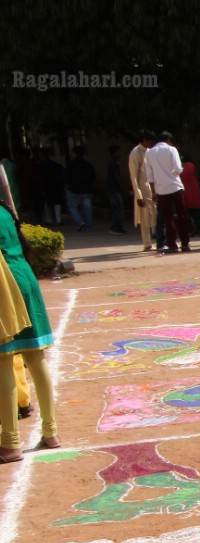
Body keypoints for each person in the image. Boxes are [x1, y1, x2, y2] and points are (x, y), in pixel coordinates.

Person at [0, 199, 58, 462]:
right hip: (24, 276)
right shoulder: (5, 210)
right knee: (36, 357)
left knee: (3, 362)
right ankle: (51, 432)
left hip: (5, 286)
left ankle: (10, 442)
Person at [144, 132, 190, 253]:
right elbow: (178, 168)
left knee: (168, 218)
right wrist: (171, 174)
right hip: (175, 187)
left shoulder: (150, 153)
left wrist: (154, 191)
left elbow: (150, 176)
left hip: (161, 190)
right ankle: (185, 244)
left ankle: (172, 244)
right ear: (169, 140)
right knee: (181, 215)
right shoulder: (172, 149)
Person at [128, 131, 159, 251]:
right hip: (142, 188)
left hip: (151, 187)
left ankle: (158, 239)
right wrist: (138, 195)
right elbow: (133, 176)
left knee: (154, 214)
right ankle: (147, 243)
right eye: (150, 141)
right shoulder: (135, 153)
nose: (151, 144)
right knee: (145, 216)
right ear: (144, 140)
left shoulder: (149, 152)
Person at [38, 148, 66, 226]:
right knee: (56, 203)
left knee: (47, 204)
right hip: (56, 186)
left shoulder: (40, 165)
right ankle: (58, 220)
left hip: (46, 187)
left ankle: (49, 220)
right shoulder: (55, 164)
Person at [181, 153, 200, 236]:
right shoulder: (192, 165)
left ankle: (190, 231)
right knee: (198, 212)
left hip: (185, 191)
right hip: (195, 190)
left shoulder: (181, 167)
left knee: (187, 214)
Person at [105, 145, 126, 235]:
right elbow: (116, 176)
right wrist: (122, 185)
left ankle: (119, 226)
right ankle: (114, 227)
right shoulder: (113, 163)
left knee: (118, 208)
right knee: (118, 208)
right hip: (113, 188)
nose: (120, 154)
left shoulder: (115, 162)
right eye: (118, 152)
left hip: (114, 188)